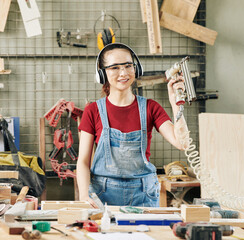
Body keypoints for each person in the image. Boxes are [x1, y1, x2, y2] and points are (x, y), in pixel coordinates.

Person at [77, 43, 190, 207]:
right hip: (102, 196)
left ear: (136, 68)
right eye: (114, 68)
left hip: (143, 196)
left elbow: (182, 142)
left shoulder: (151, 108)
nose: (123, 73)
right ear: (102, 74)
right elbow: (83, 162)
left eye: (128, 66)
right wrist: (83, 195)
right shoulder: (93, 111)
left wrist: (175, 103)